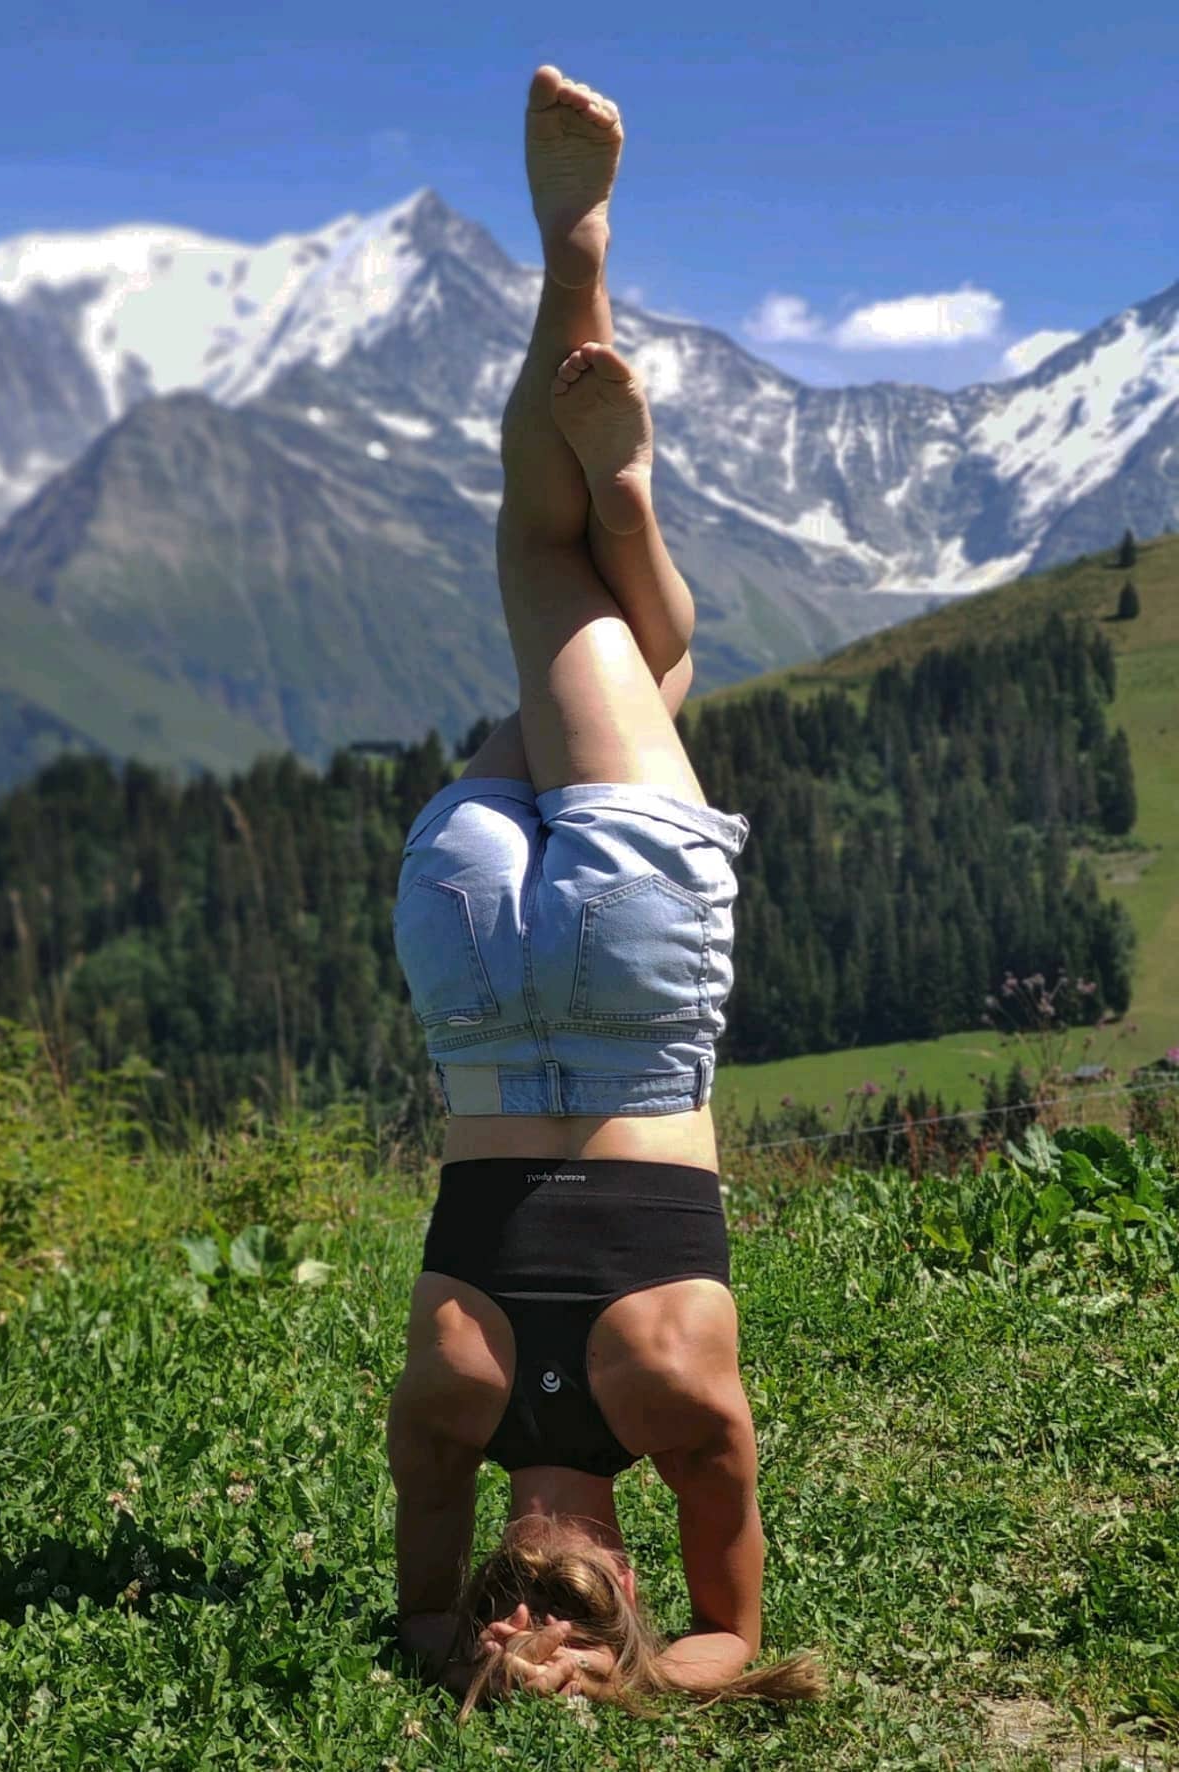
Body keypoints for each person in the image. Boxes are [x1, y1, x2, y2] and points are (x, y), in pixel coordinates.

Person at [385, 67, 823, 1721]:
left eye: (515, 1654)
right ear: (626, 1608)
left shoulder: (673, 1426)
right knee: (570, 603)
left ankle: (585, 284)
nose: (520, 1640)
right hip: (496, 994)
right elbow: (720, 1646)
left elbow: (725, 1633)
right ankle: (609, 448)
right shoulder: (464, 1419)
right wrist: (626, 1691)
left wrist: (606, 1680)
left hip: (589, 1002)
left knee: (587, 605)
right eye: (579, 1646)